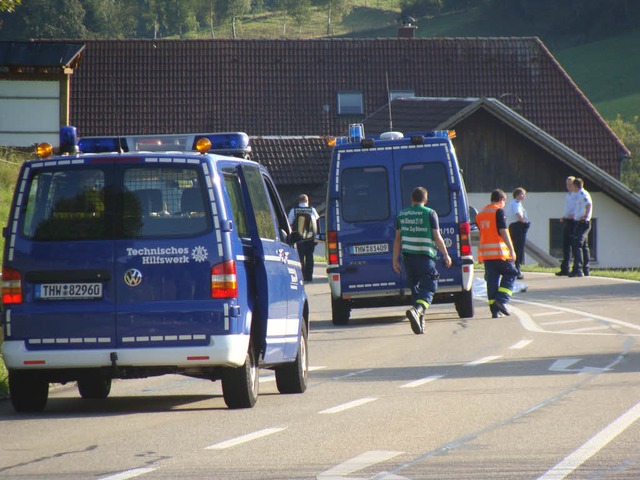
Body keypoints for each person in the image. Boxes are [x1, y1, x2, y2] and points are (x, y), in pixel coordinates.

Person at [392, 187, 452, 335]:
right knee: (429, 289)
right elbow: (437, 237)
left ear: (411, 200)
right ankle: (417, 311)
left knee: (416, 291)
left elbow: (397, 240)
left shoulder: (402, 215)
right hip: (425, 258)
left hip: (408, 260)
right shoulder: (430, 213)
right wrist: (446, 254)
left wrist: (395, 260)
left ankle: (420, 322)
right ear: (425, 200)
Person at [477, 189, 518, 318]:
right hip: (499, 253)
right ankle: (502, 300)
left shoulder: (480, 214)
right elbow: (503, 232)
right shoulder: (498, 211)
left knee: (492, 280)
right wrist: (511, 250)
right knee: (511, 273)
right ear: (501, 200)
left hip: (487, 254)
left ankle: (494, 311)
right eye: (504, 202)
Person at [288, 194, 319, 282]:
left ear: (299, 201)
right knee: (309, 257)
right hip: (310, 237)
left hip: (298, 238)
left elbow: (289, 223)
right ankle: (309, 277)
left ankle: (301, 276)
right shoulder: (312, 210)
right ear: (307, 201)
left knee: (300, 257)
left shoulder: (293, 210)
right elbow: (317, 222)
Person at [570, 177, 593, 277]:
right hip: (579, 221)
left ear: (575, 186)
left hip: (582, 222)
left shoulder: (582, 194)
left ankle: (578, 268)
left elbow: (588, 204)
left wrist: (586, 216)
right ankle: (585, 269)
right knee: (584, 246)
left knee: (577, 243)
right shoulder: (578, 194)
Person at [506, 187, 530, 280]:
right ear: (518, 195)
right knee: (519, 248)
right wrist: (524, 222)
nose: (524, 196)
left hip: (512, 226)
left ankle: (513, 267)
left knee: (514, 247)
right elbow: (518, 214)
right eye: (523, 194)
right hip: (518, 226)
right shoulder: (516, 204)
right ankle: (517, 269)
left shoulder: (511, 203)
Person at [556, 176, 577, 276]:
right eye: (567, 184)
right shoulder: (568, 195)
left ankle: (576, 267)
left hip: (575, 221)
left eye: (570, 184)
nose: (568, 186)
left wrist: (574, 215)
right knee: (566, 245)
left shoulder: (577, 195)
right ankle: (565, 268)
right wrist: (564, 216)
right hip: (568, 220)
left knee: (574, 245)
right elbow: (568, 209)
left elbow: (580, 208)